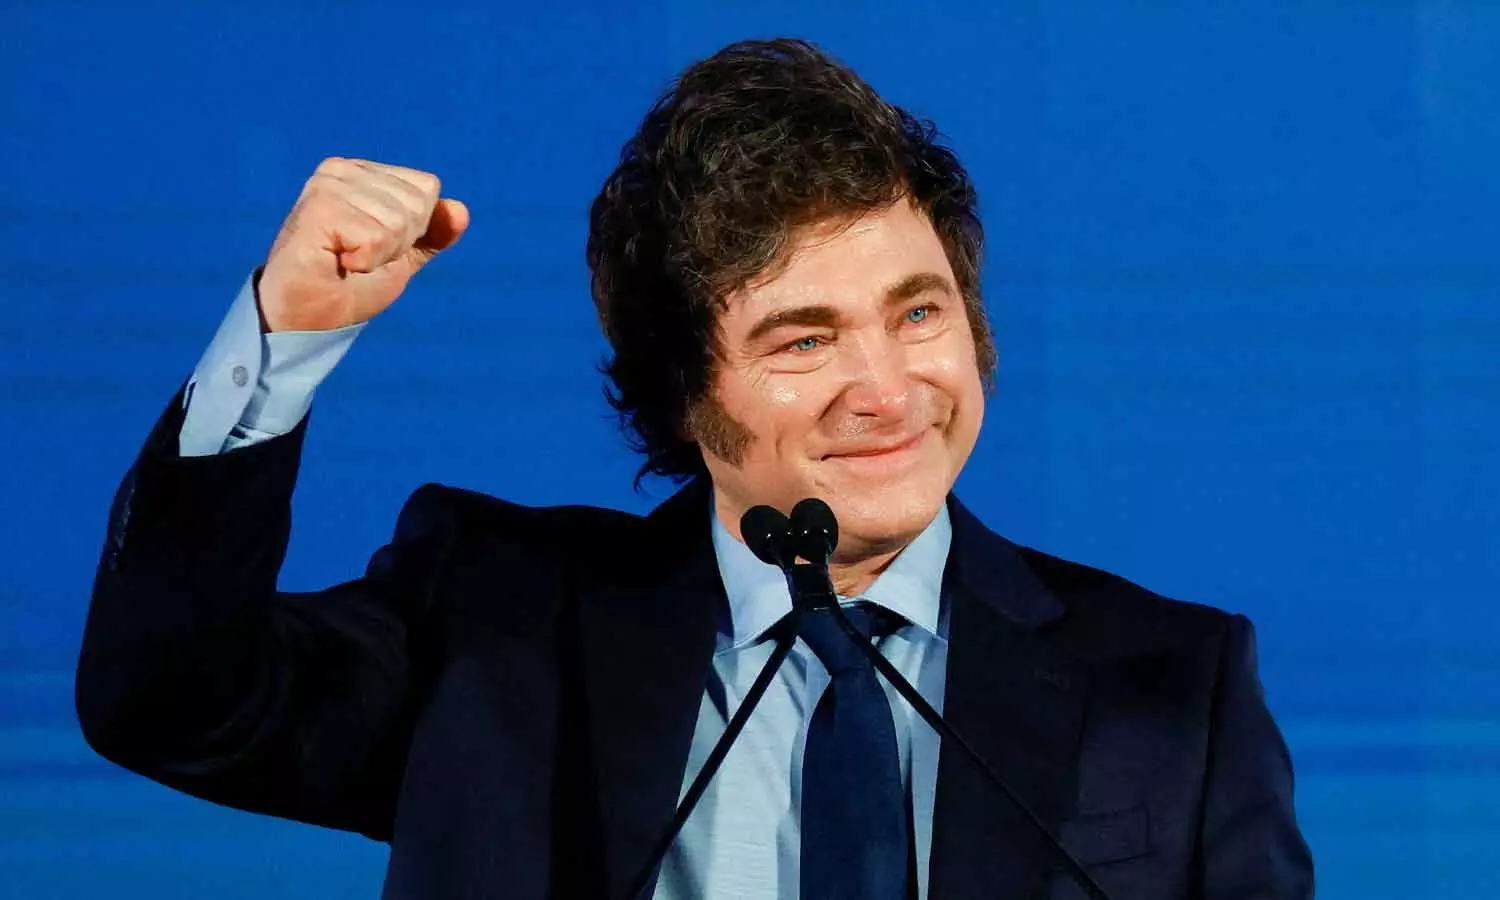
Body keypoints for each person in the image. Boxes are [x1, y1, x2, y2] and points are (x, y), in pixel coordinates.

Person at [76, 37, 1314, 900]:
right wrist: (285, 337)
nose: (887, 390)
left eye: (919, 314)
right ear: (681, 394)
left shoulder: (1175, 684)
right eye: (804, 340)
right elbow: (170, 701)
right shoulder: (496, 625)